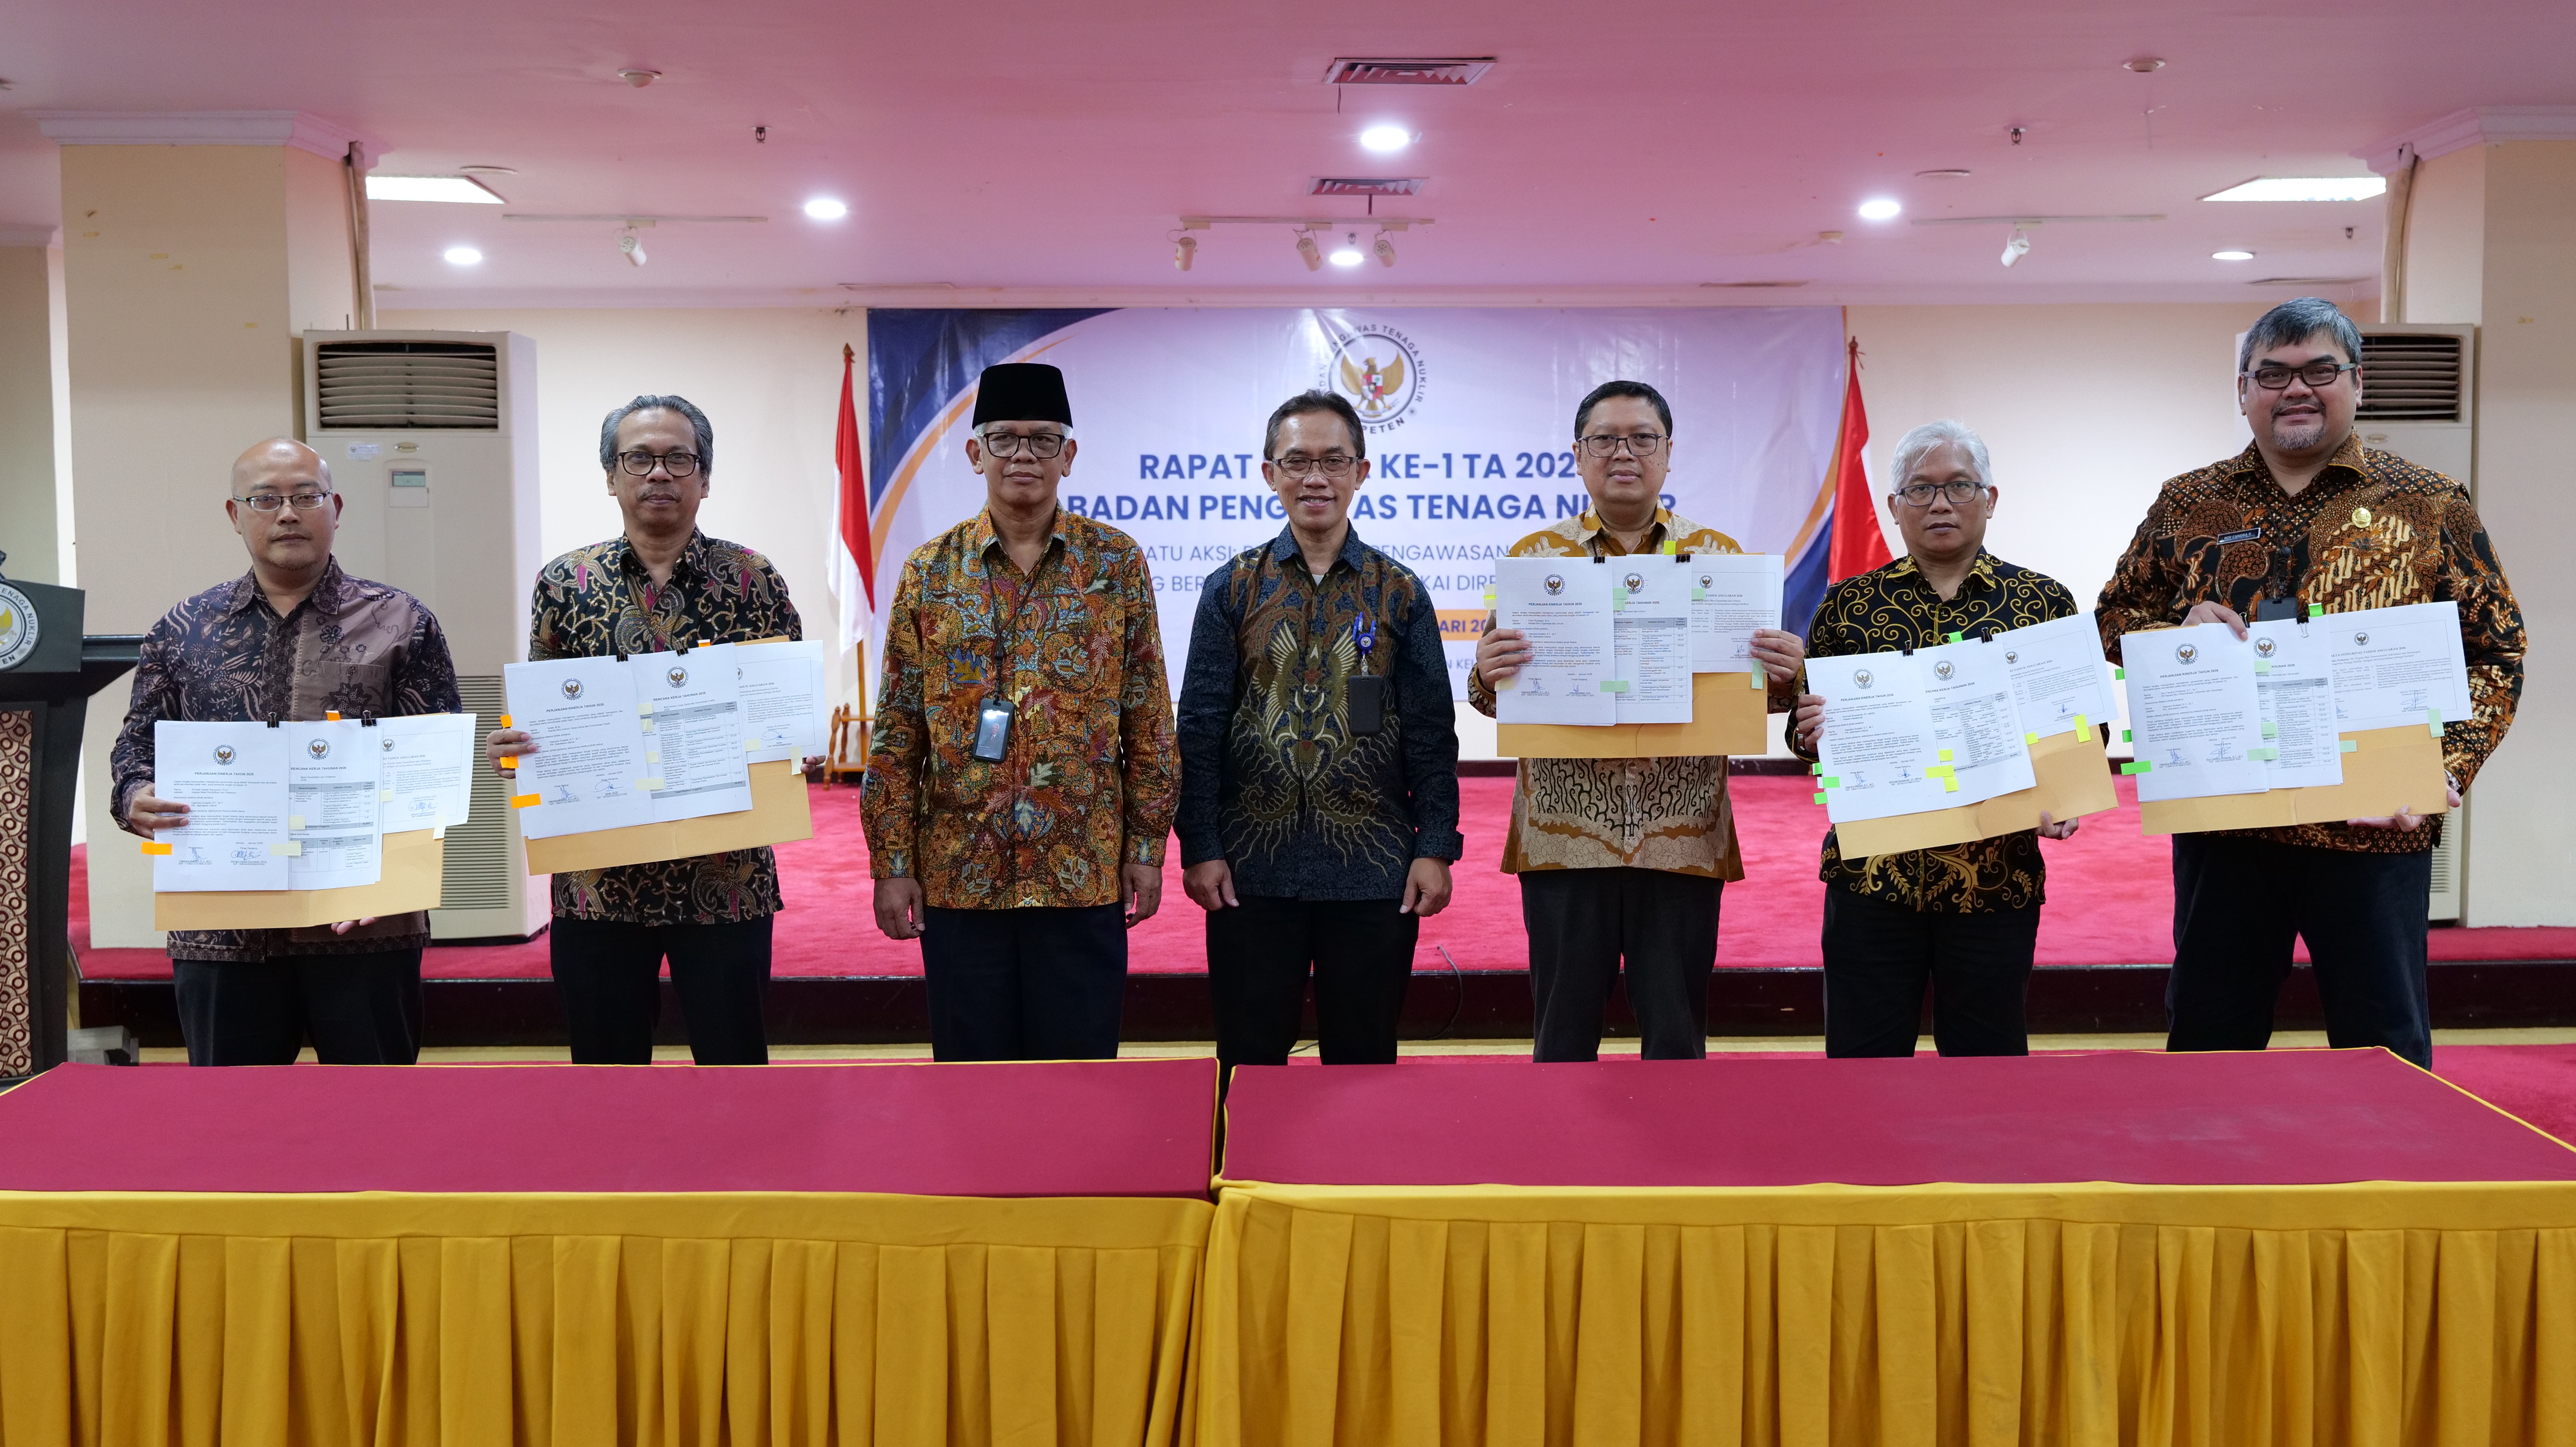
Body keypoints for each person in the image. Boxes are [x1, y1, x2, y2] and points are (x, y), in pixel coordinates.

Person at [2097, 297, 2525, 1070]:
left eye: (2320, 370)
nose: (2296, 388)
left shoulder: (2430, 503)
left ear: (2357, 382)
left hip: (2375, 824)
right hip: (2226, 823)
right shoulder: (2187, 502)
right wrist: (2175, 632)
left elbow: (2497, 651)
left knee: (2384, 1046)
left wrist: (2447, 766)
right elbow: (2115, 616)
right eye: (2273, 374)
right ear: (2243, 390)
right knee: (2210, 1041)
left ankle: (2388, 1154)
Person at [1469, 380, 1805, 1061]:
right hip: (1564, 836)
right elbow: (1494, 699)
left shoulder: (1721, 559)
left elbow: (1759, 699)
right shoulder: (1534, 561)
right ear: (1578, 454)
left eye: (1643, 439)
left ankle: (1676, 1135)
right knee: (1562, 1039)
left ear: (1669, 452)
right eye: (1606, 439)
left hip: (1681, 835)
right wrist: (1484, 671)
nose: (1624, 453)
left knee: (1677, 1038)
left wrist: (1784, 675)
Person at [863, 362, 1179, 1061]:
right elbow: (897, 734)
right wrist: (892, 861)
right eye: (1004, 439)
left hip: (1081, 872)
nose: (1023, 456)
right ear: (975, 454)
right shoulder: (929, 571)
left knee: (1080, 1075)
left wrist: (1146, 850)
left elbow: (1150, 720)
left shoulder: (1115, 564)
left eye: (1043, 440)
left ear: (1069, 454)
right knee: (973, 1082)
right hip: (960, 875)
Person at [113, 438, 461, 1066]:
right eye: (265, 499)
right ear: (234, 513)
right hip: (222, 928)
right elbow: (137, 744)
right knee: (234, 1114)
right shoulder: (183, 629)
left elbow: (432, 768)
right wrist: (134, 795)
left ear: (336, 507)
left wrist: (391, 880)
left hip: (365, 923)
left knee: (375, 1110)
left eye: (306, 496)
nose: (288, 514)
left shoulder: (402, 622)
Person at [485, 395, 807, 1065]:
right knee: (606, 1073)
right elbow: (545, 707)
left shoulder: (753, 579)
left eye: (679, 459)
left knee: (734, 1069)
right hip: (598, 882)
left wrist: (796, 739)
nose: (659, 473)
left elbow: (784, 711)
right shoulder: (565, 582)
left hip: (726, 877)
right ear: (611, 476)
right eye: (639, 458)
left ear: (704, 478)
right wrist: (518, 746)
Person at [1176, 389, 1462, 1072]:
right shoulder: (1231, 588)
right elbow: (1200, 726)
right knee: (1248, 1061)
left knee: (1363, 1064)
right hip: (1250, 870)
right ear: (1269, 473)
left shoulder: (1400, 592)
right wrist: (1200, 846)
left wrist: (1435, 847)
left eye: (1334, 461)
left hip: (1373, 870)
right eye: (1297, 461)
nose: (1316, 478)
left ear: (1361, 472)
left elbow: (1431, 733)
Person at [1790, 420, 2084, 1057]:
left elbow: (2079, 726)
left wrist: (2065, 796)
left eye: (1959, 486)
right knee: (1864, 1065)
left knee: (1986, 1068)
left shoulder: (2042, 603)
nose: (1941, 503)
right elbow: (1803, 726)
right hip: (1872, 878)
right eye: (1920, 489)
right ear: (1895, 507)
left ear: (1990, 499)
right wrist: (1809, 732)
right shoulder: (1848, 605)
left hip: (1995, 879)